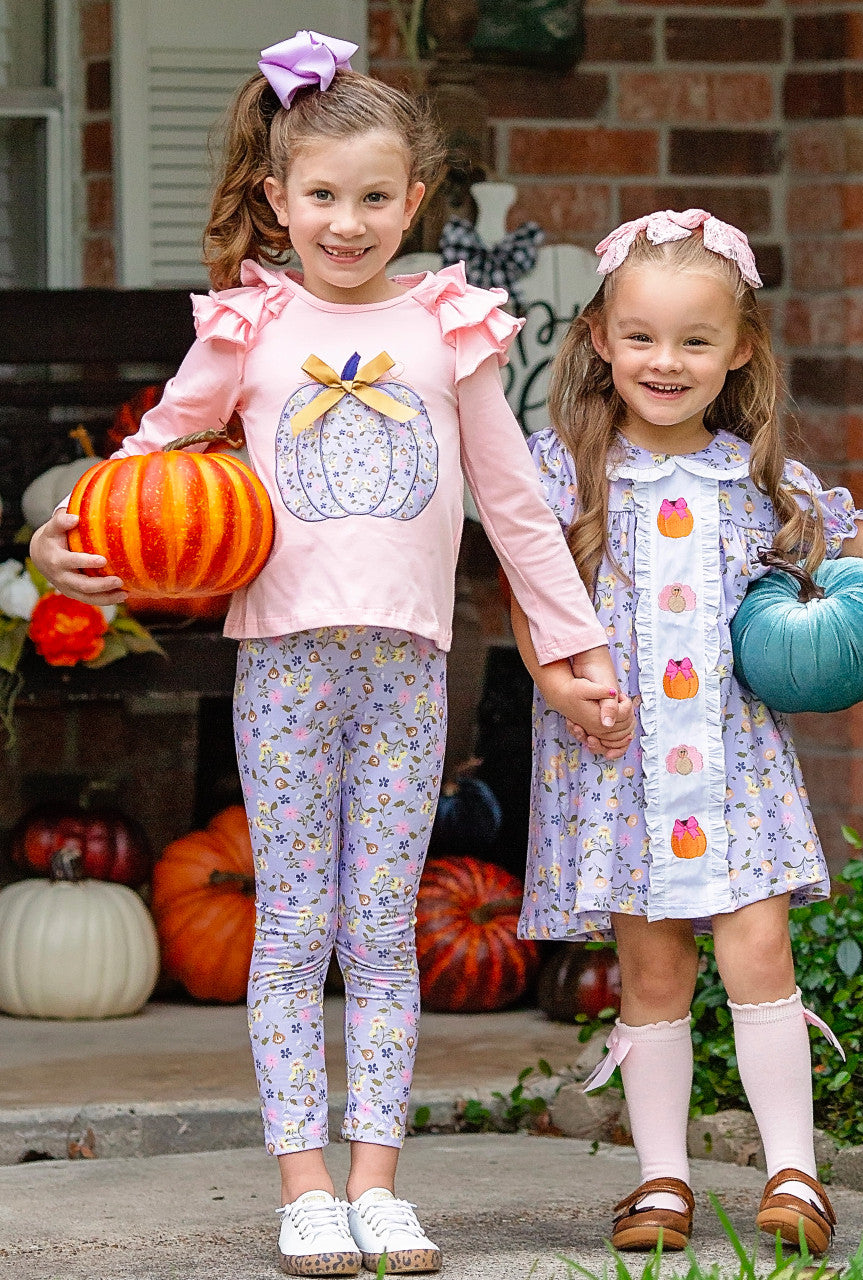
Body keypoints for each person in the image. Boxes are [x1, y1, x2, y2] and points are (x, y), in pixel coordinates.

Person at [30, 31, 630, 1278]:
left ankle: (378, 1181)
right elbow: (147, 461)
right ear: (276, 197)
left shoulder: (447, 323)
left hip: (412, 664)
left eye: (373, 198)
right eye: (320, 196)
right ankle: (305, 1184)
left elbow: (512, 499)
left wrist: (568, 645)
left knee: (382, 926)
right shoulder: (250, 321)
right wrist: (57, 542)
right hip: (287, 666)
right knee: (295, 921)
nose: (346, 223)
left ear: (414, 199)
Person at [511, 208, 863, 1257]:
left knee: (760, 950)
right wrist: (557, 683)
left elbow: (856, 530)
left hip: (736, 769)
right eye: (643, 337)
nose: (667, 362)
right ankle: (661, 1179)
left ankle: (792, 1170)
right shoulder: (563, 467)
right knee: (653, 972)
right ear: (600, 338)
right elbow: (531, 590)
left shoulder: (751, 476)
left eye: (695, 340)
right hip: (617, 764)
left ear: (740, 348)